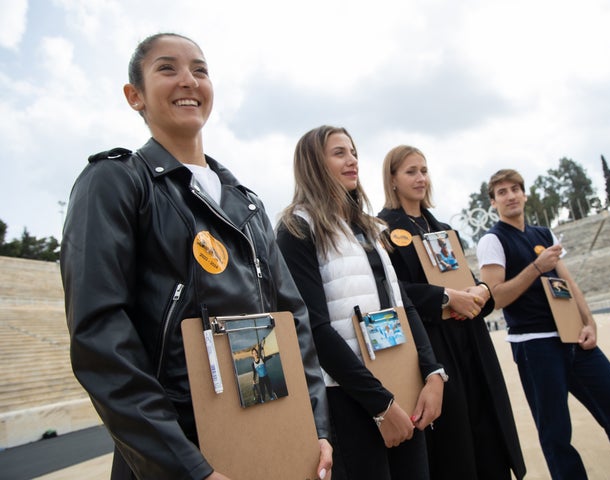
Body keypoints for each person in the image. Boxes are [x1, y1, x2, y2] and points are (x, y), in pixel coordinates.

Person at [60, 33, 332, 480]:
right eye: (167, 69)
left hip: (273, 433)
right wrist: (186, 467)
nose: (188, 80)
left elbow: (292, 319)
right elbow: (99, 337)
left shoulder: (246, 203)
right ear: (135, 96)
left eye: (200, 70)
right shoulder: (116, 182)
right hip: (180, 451)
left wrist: (315, 427)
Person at [476, 169, 610, 480]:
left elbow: (567, 281)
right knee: (556, 434)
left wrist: (589, 322)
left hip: (575, 338)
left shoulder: (544, 234)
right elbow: (494, 298)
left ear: (525, 195)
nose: (510, 196)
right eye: (502, 192)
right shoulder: (492, 240)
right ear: (493, 202)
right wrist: (536, 267)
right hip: (535, 343)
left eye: (515, 189)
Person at [275, 126, 446, 480]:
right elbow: (313, 329)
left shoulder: (369, 227)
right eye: (339, 153)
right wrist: (380, 405)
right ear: (313, 163)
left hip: (401, 383)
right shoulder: (296, 228)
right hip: (349, 399)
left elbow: (404, 306)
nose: (352, 160)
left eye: (353, 152)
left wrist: (432, 373)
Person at [378, 145, 525, 480]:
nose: (421, 178)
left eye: (424, 170)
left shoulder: (443, 229)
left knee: (489, 438)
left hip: (472, 345)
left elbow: (470, 286)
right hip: (433, 348)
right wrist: (443, 298)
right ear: (393, 179)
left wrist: (480, 291)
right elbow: (389, 290)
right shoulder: (381, 230)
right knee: (455, 446)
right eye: (411, 171)